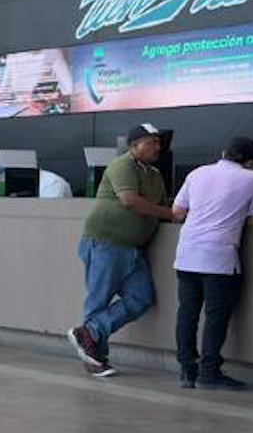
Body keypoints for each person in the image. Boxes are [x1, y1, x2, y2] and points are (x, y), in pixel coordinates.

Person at [68, 124, 175, 378]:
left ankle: (90, 333)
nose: (158, 147)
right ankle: (96, 360)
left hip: (133, 248)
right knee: (99, 300)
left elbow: (161, 204)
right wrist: (168, 213)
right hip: (106, 242)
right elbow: (129, 200)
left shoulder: (155, 174)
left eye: (159, 143)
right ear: (134, 145)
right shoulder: (122, 165)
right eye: (152, 142)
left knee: (141, 298)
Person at [169, 136, 253, 390]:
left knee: (187, 312)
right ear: (250, 161)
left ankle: (186, 371)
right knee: (216, 316)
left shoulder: (197, 173)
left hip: (187, 254)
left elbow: (177, 212)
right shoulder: (252, 178)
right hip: (219, 257)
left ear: (224, 152)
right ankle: (209, 372)